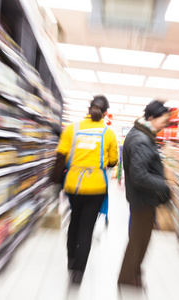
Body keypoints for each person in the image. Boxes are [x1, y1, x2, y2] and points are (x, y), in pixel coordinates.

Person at [50, 95, 118, 284]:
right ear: (105, 113)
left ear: (89, 109)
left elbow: (61, 156)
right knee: (87, 228)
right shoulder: (109, 133)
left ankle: (71, 260)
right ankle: (78, 273)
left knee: (74, 221)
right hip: (96, 186)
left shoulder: (73, 128)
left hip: (73, 184)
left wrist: (56, 182)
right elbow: (113, 161)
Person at [118, 99, 172, 287]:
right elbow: (140, 175)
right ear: (150, 117)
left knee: (141, 239)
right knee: (138, 240)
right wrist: (163, 185)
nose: (164, 126)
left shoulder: (142, 135)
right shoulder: (141, 140)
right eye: (163, 122)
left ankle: (134, 273)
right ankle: (127, 277)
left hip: (142, 198)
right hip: (142, 198)